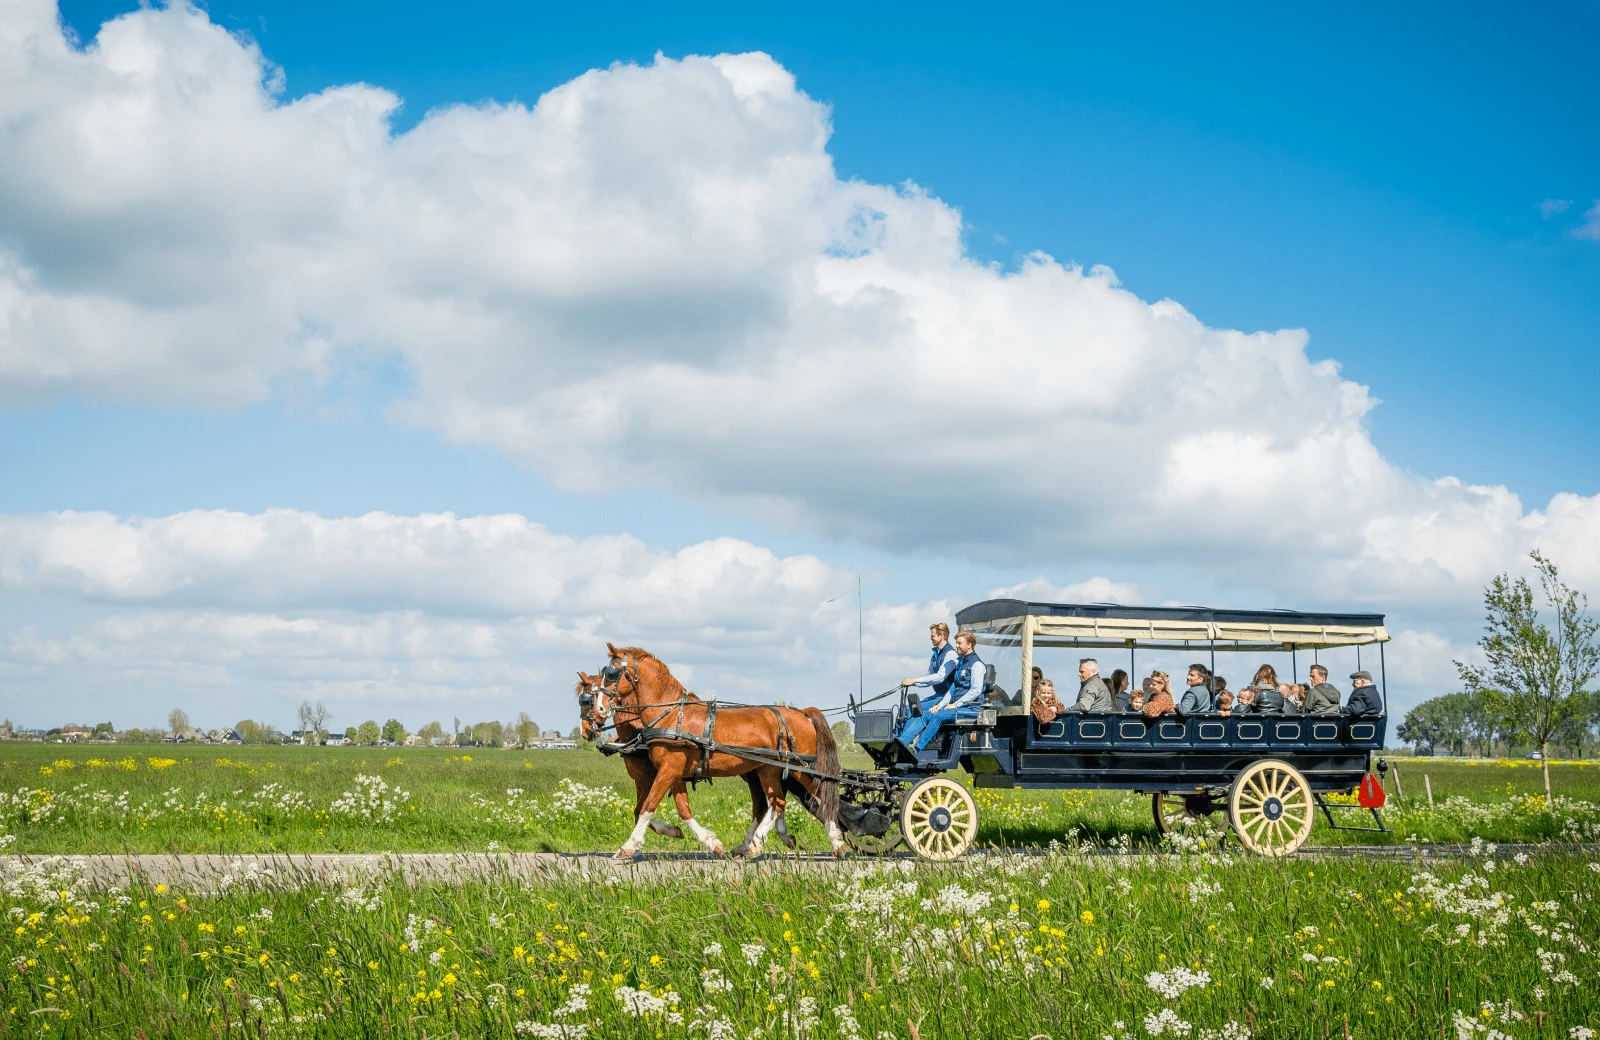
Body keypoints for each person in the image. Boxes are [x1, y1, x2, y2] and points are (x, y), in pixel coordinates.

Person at [897, 631, 988, 753]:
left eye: (959, 643)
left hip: (972, 709)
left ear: (969, 645)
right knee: (924, 715)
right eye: (956, 643)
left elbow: (976, 691)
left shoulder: (977, 665)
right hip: (958, 707)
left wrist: (956, 704)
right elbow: (954, 687)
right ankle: (901, 743)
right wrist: (940, 705)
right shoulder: (961, 663)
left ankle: (917, 749)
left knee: (938, 716)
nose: (956, 646)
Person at [900, 622, 959, 717]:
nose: (930, 638)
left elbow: (940, 677)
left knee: (910, 710)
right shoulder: (935, 656)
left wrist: (914, 680)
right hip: (939, 695)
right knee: (908, 708)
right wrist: (912, 683)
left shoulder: (951, 654)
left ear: (941, 636)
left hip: (947, 697)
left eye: (932, 636)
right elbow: (929, 678)